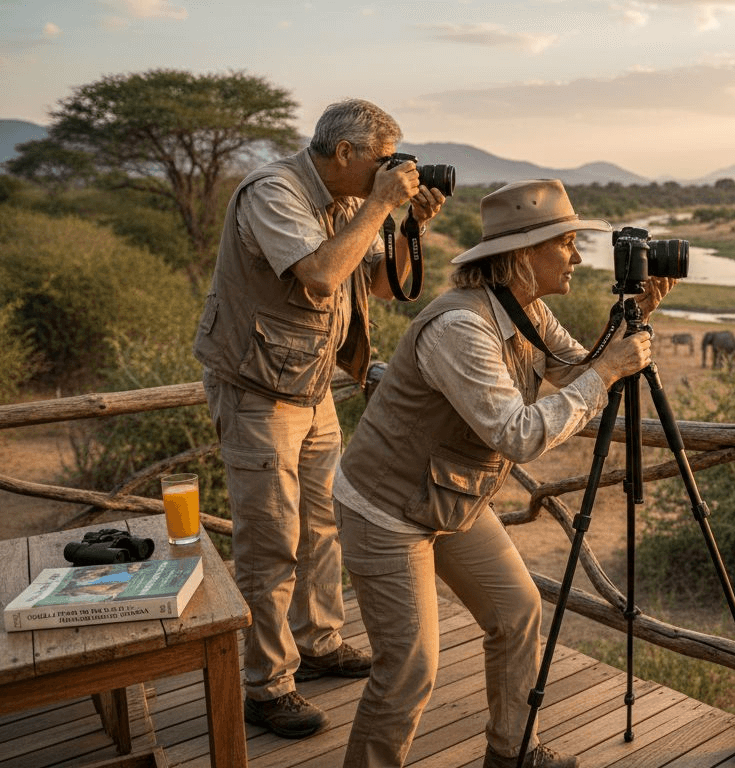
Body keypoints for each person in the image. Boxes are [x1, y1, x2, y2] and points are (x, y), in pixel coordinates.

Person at [334, 178, 675, 768]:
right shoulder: (461, 328)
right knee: (409, 668)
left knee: (517, 610)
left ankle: (512, 752)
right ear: (522, 255)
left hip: (449, 498)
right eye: (565, 243)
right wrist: (607, 372)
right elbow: (518, 434)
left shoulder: (526, 308)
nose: (576, 256)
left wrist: (632, 320)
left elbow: (575, 370)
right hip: (386, 509)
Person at [192, 98, 446, 738]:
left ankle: (319, 641)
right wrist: (380, 204)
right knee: (270, 539)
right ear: (345, 152)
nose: (391, 169)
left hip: (312, 387)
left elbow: (381, 285)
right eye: (382, 160)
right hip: (257, 389)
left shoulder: (343, 202)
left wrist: (410, 224)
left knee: (322, 525)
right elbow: (321, 274)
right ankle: (266, 685)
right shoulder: (273, 193)